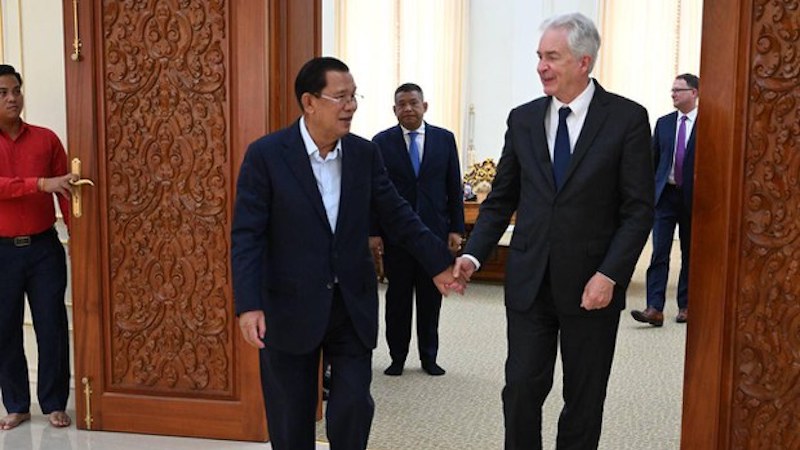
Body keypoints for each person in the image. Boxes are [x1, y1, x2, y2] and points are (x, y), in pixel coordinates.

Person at [231, 57, 463, 450]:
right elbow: (247, 236)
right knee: (290, 417)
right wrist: (248, 304)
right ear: (309, 102)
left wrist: (438, 262)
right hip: (288, 306)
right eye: (340, 97)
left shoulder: (363, 154)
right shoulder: (266, 156)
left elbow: (398, 214)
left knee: (354, 406)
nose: (351, 106)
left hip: (350, 303)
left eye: (354, 96)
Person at [453, 13, 654, 449]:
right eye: (539, 57)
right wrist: (472, 255)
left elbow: (638, 210)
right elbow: (501, 199)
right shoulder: (523, 119)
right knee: (521, 389)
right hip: (529, 283)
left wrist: (610, 275)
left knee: (584, 397)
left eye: (552, 57)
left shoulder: (626, 119)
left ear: (584, 62)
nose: (541, 66)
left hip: (592, 286)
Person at [0, 64, 76, 430]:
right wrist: (40, 184)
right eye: (2, 92)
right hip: (1, 252)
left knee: (52, 325)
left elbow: (67, 194)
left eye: (16, 90)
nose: (12, 98)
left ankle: (54, 402)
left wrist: (78, 236)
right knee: (4, 328)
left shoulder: (46, 139)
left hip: (45, 247)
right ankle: (16, 404)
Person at [370, 83, 464, 377]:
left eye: (413, 103)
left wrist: (456, 229)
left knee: (430, 298)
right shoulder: (380, 143)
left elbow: (453, 186)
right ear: (394, 109)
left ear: (425, 106)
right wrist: (374, 233)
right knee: (397, 299)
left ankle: (429, 357)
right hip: (396, 236)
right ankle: (397, 357)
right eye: (401, 104)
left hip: (434, 233)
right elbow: (372, 194)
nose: (408, 108)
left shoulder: (444, 139)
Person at [631, 74, 699, 327]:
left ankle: (686, 305)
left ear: (693, 93)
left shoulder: (708, 122)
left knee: (690, 252)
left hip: (693, 197)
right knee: (659, 251)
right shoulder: (664, 124)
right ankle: (654, 308)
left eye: (678, 90)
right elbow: (652, 161)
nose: (673, 94)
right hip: (665, 197)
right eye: (672, 90)